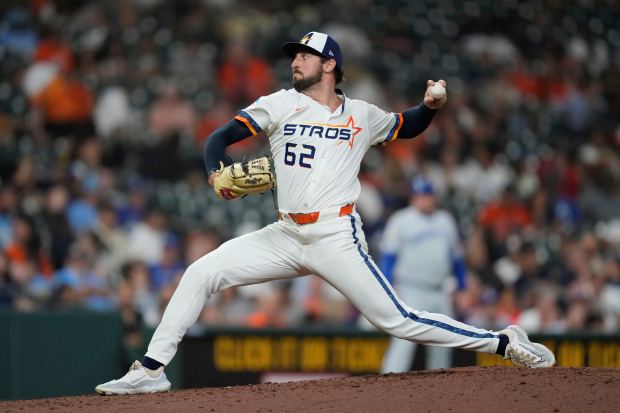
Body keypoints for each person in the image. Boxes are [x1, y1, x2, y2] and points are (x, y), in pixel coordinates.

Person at [96, 31, 555, 395]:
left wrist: (430, 108)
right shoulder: (279, 103)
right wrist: (216, 172)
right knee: (200, 272)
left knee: (396, 320)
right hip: (284, 233)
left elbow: (406, 124)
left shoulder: (361, 113)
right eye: (293, 56)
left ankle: (503, 341)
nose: (295, 62)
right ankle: (152, 369)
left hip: (335, 234)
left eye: (305, 56)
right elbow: (217, 139)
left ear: (329, 64)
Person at [379, 177, 466, 372]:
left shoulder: (446, 221)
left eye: (427, 196)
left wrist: (462, 288)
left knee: (444, 340)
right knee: (404, 339)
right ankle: (388, 382)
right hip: (411, 288)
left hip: (440, 289)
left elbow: (457, 258)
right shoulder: (401, 220)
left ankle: (440, 388)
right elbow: (388, 255)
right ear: (413, 198)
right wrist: (388, 284)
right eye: (420, 196)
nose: (424, 200)